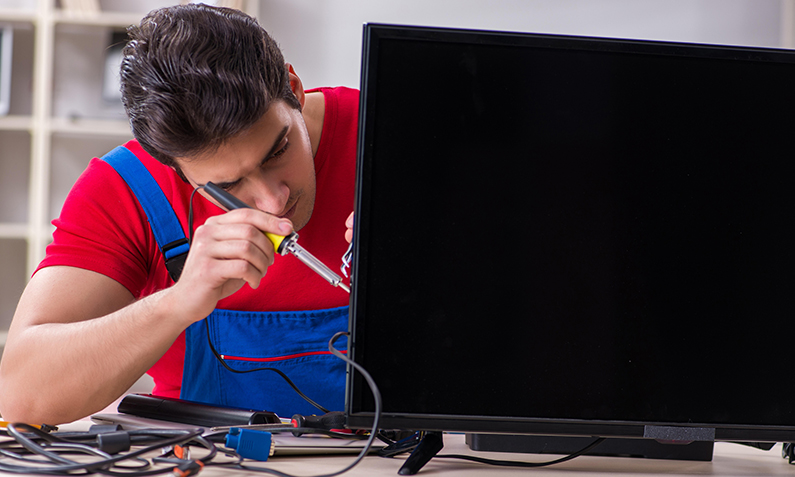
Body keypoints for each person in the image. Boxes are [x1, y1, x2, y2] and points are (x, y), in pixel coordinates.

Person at [0, 3, 358, 425]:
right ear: (173, 166)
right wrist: (177, 303)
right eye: (227, 187)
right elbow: (19, 395)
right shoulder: (129, 188)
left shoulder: (394, 136)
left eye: (277, 151)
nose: (272, 202)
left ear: (294, 89)